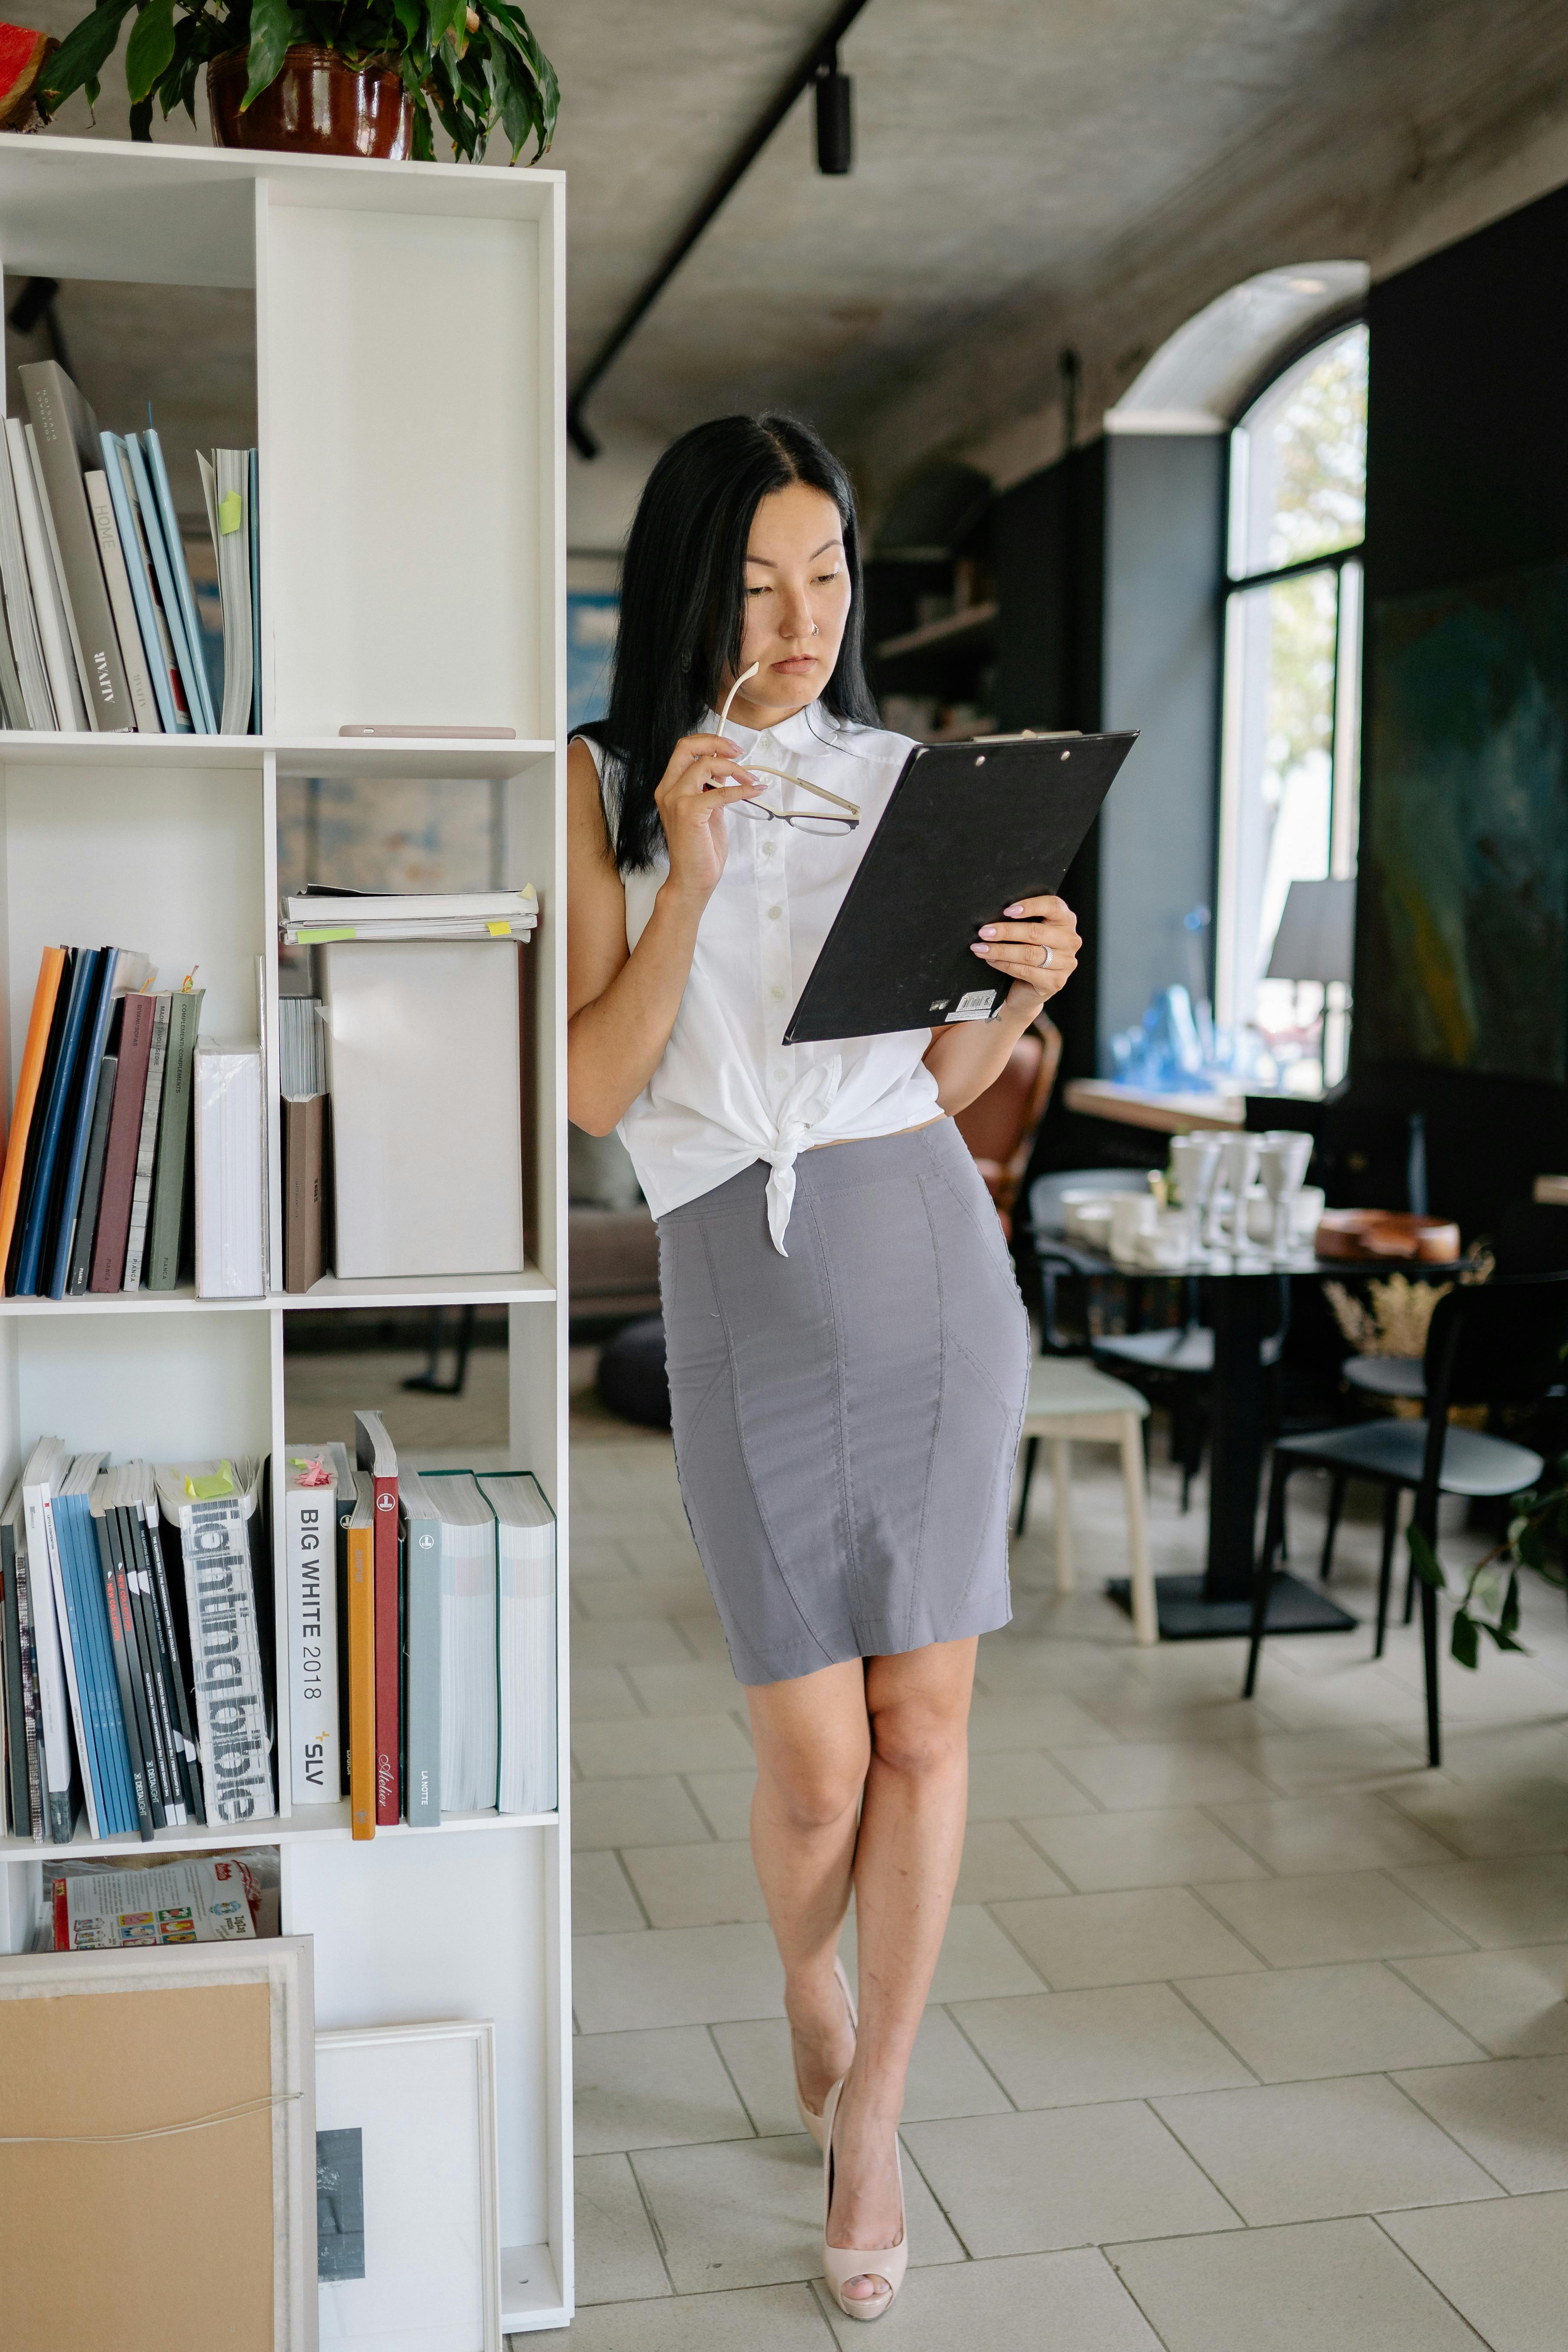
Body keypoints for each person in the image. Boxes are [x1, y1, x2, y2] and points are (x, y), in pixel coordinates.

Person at [567, 413, 1080, 2322]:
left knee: (928, 1726)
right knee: (813, 1755)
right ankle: (807, 1971)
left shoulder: (906, 778)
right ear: (695, 586)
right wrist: (686, 869)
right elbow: (594, 1089)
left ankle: (877, 2103)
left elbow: (927, 1083)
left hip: (923, 1248)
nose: (800, 620)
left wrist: (1018, 995)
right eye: (761, 581)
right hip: (736, 1265)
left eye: (828, 578)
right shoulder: (604, 778)